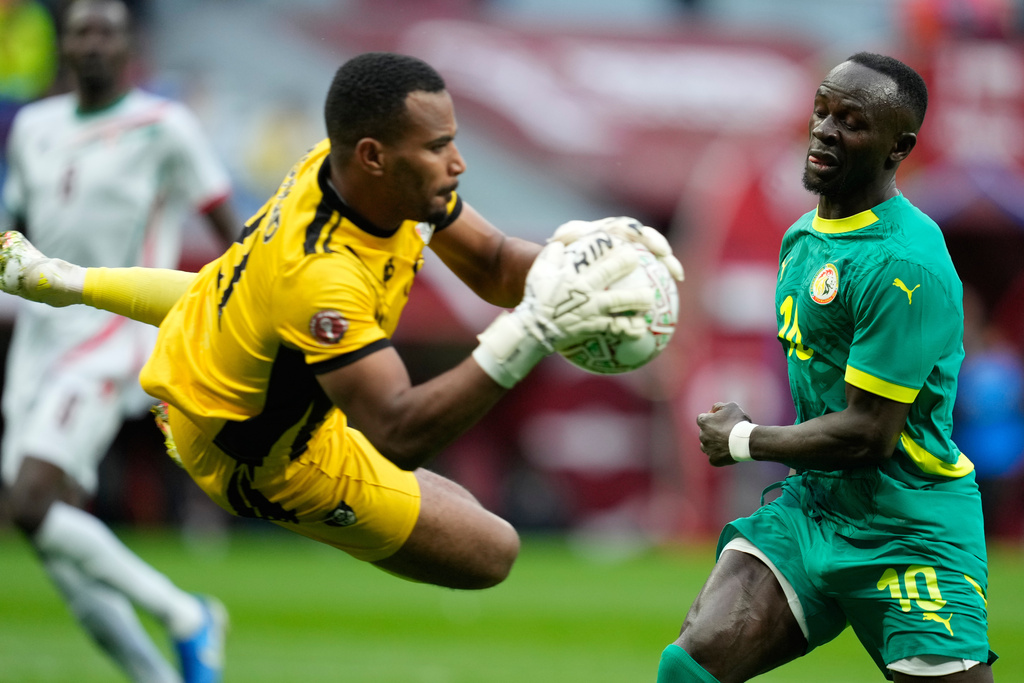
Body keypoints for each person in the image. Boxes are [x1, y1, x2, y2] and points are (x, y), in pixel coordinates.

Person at [0, 50, 682, 596]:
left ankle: (62, 280)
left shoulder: (358, 176)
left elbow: (498, 263)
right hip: (259, 456)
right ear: (374, 156)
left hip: (221, 343)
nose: (458, 162)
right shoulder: (323, 277)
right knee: (491, 549)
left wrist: (582, 259)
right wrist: (528, 330)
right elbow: (398, 431)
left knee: (229, 302)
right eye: (438, 145)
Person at [660, 53, 996, 682]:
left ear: (899, 148)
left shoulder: (907, 264)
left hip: (906, 525)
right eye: (821, 110)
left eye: (852, 120)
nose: (824, 129)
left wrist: (742, 439)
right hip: (813, 504)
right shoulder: (802, 238)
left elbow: (869, 434)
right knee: (690, 667)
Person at [0, 1, 239, 682]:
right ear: (64, 46)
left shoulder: (164, 126)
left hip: (111, 332)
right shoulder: (33, 129)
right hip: (36, 342)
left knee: (32, 502)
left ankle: (187, 614)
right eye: (81, 30)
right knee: (47, 535)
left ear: (130, 44)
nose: (94, 42)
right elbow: (14, 236)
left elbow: (231, 230)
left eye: (107, 30)